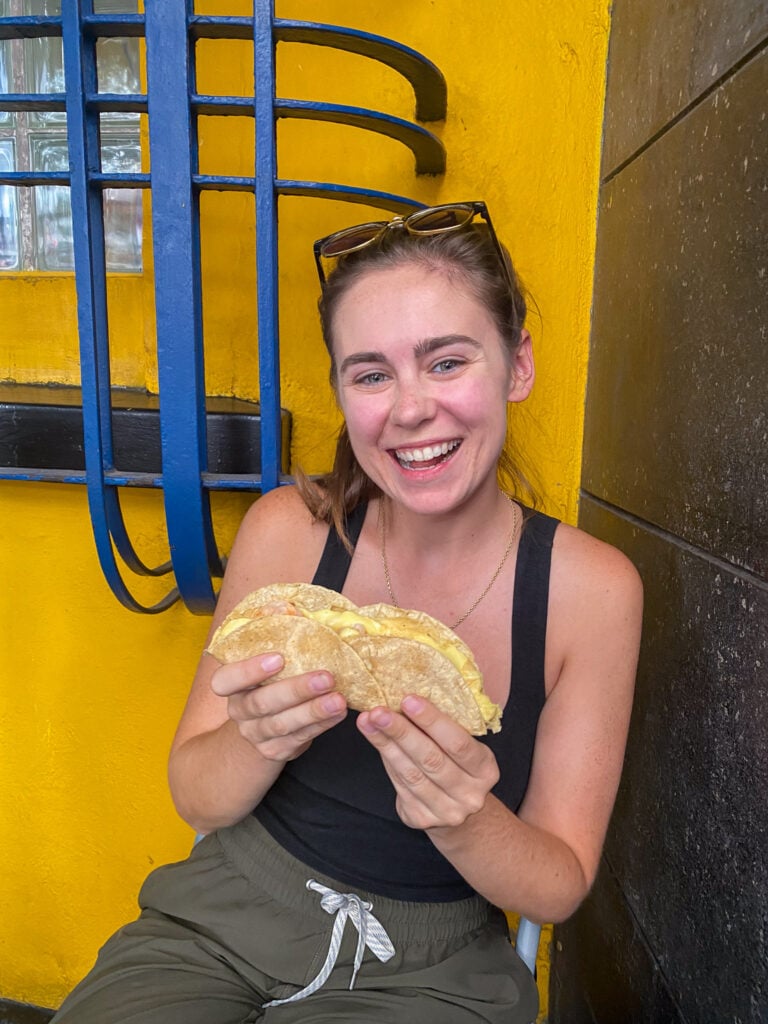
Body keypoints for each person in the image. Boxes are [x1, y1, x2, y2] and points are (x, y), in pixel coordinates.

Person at [51, 201, 642, 1024]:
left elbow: (560, 880)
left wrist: (465, 815)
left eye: (446, 362)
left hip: (434, 969)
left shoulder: (593, 591)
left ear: (516, 366)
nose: (409, 410)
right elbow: (197, 794)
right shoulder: (290, 535)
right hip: (220, 919)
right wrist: (258, 737)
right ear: (343, 392)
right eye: (371, 374)